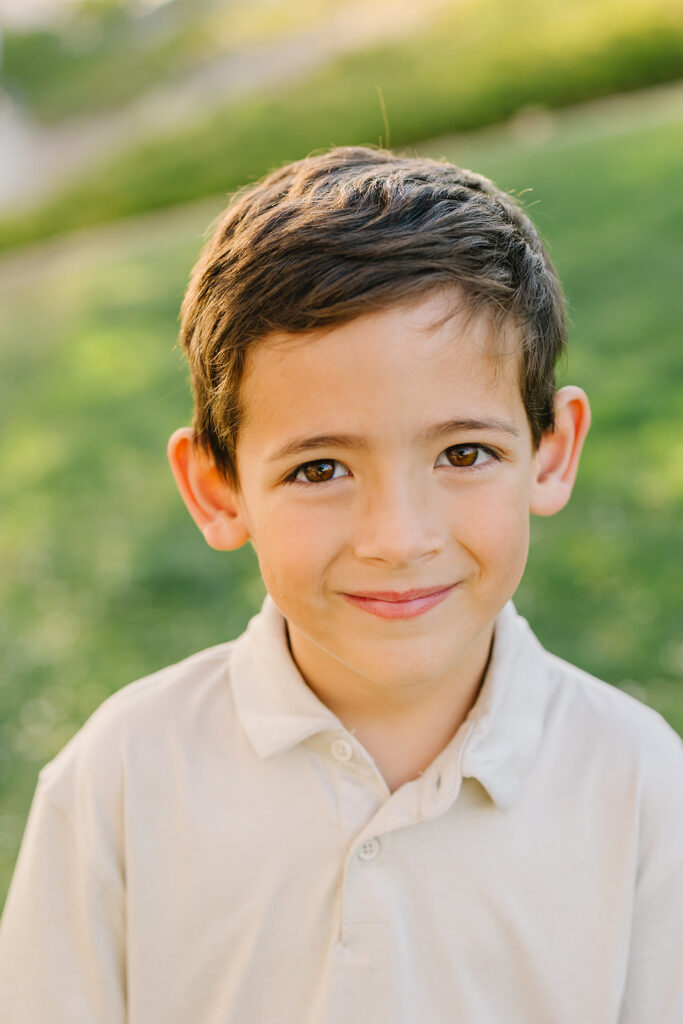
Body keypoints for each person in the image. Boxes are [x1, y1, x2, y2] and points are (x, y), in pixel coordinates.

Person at [0, 146, 681, 1023]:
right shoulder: (122, 778)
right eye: (320, 469)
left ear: (550, 455)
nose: (398, 539)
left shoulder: (639, 785)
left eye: (463, 454)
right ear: (218, 490)